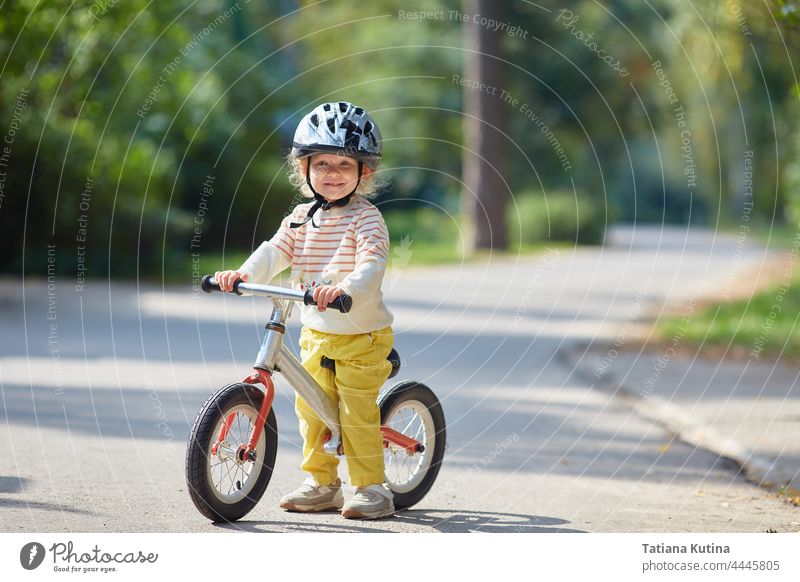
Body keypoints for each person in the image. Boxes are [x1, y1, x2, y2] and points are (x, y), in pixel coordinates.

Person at [215, 101, 395, 519]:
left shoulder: (366, 219)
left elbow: (372, 262)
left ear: (363, 173)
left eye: (345, 166)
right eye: (323, 164)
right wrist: (241, 273)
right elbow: (276, 250)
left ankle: (371, 487)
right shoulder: (300, 217)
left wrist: (345, 288)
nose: (333, 174)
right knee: (311, 409)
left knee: (355, 412)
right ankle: (323, 482)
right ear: (305, 169)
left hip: (361, 335)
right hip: (316, 332)